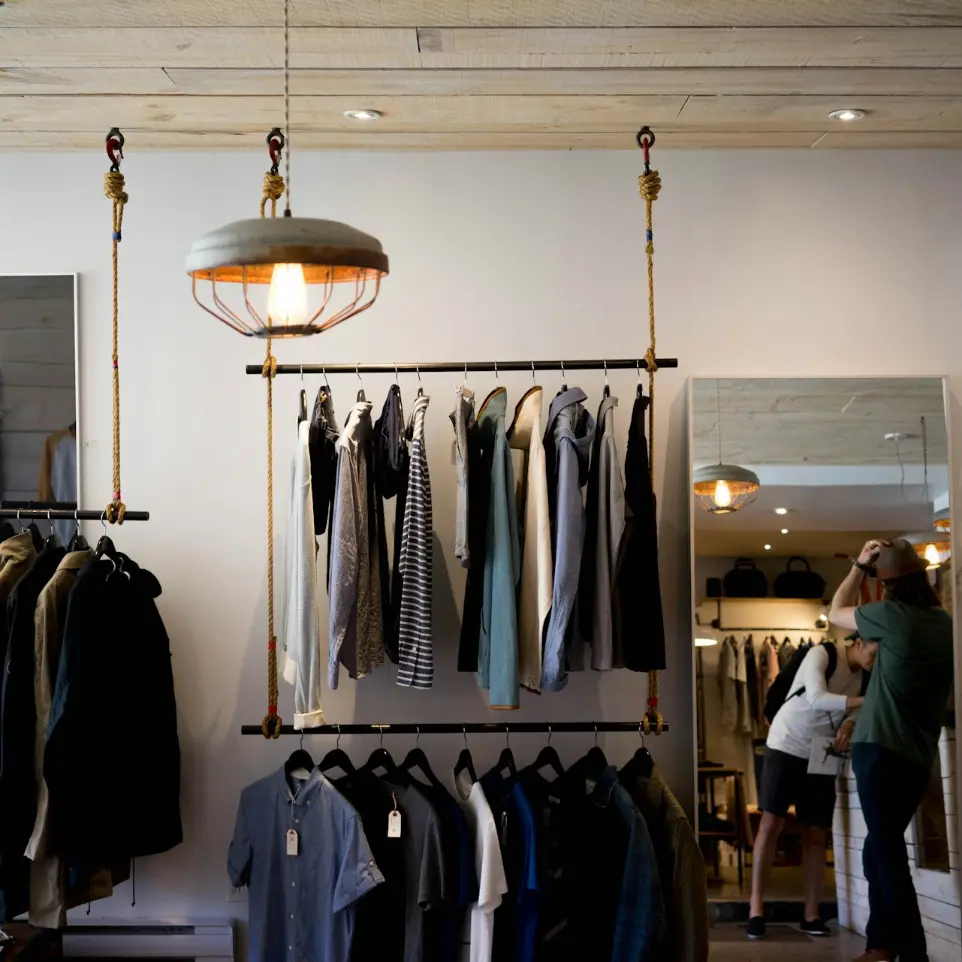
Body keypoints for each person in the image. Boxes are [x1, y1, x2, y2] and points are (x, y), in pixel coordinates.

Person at [829, 538, 953, 962]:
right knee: (878, 849)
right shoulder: (944, 623)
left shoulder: (887, 615)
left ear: (887, 587)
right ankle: (881, 944)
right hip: (917, 757)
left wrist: (859, 565)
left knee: (887, 855)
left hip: (878, 748)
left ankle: (912, 952)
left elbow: (835, 612)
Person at [748, 633, 877, 940]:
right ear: (858, 642)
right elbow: (817, 697)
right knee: (771, 822)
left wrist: (849, 722)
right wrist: (865, 701)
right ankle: (755, 908)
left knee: (817, 832)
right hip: (787, 740)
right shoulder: (822, 653)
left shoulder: (867, 677)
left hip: (823, 748)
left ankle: (811, 913)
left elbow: (853, 713)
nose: (876, 657)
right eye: (875, 649)